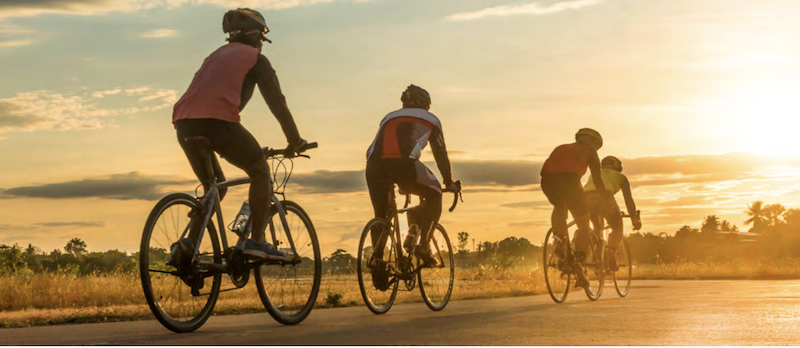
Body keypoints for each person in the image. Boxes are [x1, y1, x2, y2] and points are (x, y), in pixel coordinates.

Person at [171, 8, 307, 262]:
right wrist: (294, 140)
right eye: (261, 40)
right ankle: (256, 241)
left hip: (184, 123)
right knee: (259, 171)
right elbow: (277, 102)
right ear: (256, 37)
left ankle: (188, 245)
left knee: (214, 187)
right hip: (218, 122)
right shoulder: (256, 59)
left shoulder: (215, 56)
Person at [365, 84, 458, 272]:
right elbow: (440, 153)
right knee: (435, 193)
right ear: (425, 105)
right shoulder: (432, 119)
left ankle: (378, 263)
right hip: (406, 165)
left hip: (373, 166)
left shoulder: (388, 116)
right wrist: (448, 181)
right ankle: (423, 245)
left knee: (381, 215)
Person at [540, 128, 609, 288]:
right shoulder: (590, 151)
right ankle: (580, 261)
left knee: (559, 205)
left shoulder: (561, 147)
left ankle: (559, 239)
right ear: (594, 143)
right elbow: (597, 180)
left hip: (547, 181)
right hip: (570, 181)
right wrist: (604, 195)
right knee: (584, 226)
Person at [583, 156, 642, 271]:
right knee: (617, 228)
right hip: (605, 199)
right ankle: (610, 252)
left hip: (586, 199)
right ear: (618, 167)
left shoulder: (594, 174)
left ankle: (596, 259)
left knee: (597, 228)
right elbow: (628, 199)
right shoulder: (621, 177)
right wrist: (634, 219)